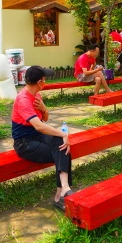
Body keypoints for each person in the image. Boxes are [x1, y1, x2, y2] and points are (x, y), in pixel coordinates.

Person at [12, 66, 74, 210]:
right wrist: (64, 134)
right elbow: (39, 126)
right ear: (40, 82)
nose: (46, 81)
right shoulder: (23, 99)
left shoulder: (37, 96)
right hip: (24, 143)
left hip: (38, 136)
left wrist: (44, 109)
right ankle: (60, 195)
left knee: (61, 145)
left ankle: (63, 189)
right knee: (62, 150)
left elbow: (45, 118)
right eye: (45, 79)